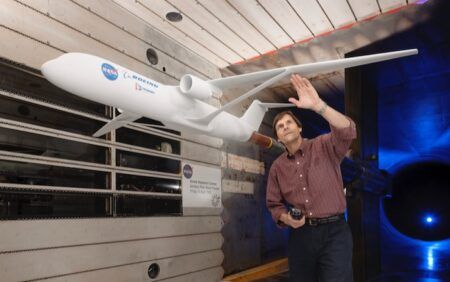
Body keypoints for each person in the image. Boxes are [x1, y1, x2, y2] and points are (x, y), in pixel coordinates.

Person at [266, 74, 357, 282]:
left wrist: (318, 106)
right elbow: (273, 205)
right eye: (280, 126)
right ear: (278, 137)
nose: (285, 126)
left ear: (299, 128)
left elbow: (348, 131)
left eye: (289, 122)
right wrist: (286, 218)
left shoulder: (324, 145)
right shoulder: (277, 167)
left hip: (335, 232)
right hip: (301, 235)